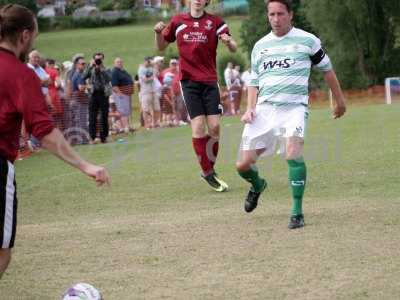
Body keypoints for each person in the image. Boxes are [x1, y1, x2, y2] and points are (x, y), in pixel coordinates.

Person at [0, 4, 110, 279]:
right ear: (24, 35)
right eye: (34, 36)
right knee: (1, 251)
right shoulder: (20, 73)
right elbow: (44, 131)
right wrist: (86, 166)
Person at [235, 0, 346, 229]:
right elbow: (254, 82)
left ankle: (297, 212)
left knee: (292, 154)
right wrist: (249, 108)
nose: (276, 19)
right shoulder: (260, 46)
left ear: (290, 14)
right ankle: (257, 186)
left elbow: (327, 69)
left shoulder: (308, 40)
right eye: (272, 14)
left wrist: (340, 100)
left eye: (280, 14)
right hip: (264, 110)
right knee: (243, 165)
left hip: (294, 108)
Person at [154, 0, 237, 192]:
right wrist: (158, 33)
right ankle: (207, 173)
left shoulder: (215, 22)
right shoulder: (177, 21)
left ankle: (209, 168)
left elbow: (233, 47)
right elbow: (161, 47)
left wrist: (228, 41)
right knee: (198, 126)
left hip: (209, 81)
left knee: (215, 128)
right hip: (189, 82)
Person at [83, 52, 112, 144]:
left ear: (103, 59)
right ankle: (92, 137)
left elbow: (109, 78)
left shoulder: (106, 69)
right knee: (92, 116)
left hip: (103, 94)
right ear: (93, 59)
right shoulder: (90, 68)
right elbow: (83, 76)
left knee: (104, 116)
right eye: (97, 59)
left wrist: (101, 69)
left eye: (100, 59)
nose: (98, 61)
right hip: (93, 94)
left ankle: (104, 137)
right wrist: (90, 66)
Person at [111, 57, 134, 133]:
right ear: (114, 63)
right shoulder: (115, 72)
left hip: (127, 94)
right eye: (117, 62)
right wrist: (120, 94)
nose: (119, 63)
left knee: (126, 111)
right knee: (123, 111)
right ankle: (125, 127)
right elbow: (114, 85)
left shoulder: (123, 71)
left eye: (120, 62)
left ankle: (124, 125)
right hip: (121, 94)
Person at [138, 56, 161, 129]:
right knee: (146, 109)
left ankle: (155, 123)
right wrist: (153, 76)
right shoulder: (141, 69)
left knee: (157, 108)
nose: (149, 63)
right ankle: (146, 124)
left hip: (153, 91)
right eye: (148, 61)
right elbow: (145, 80)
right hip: (145, 91)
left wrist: (154, 65)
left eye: (150, 61)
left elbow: (157, 74)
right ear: (145, 61)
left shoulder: (151, 68)